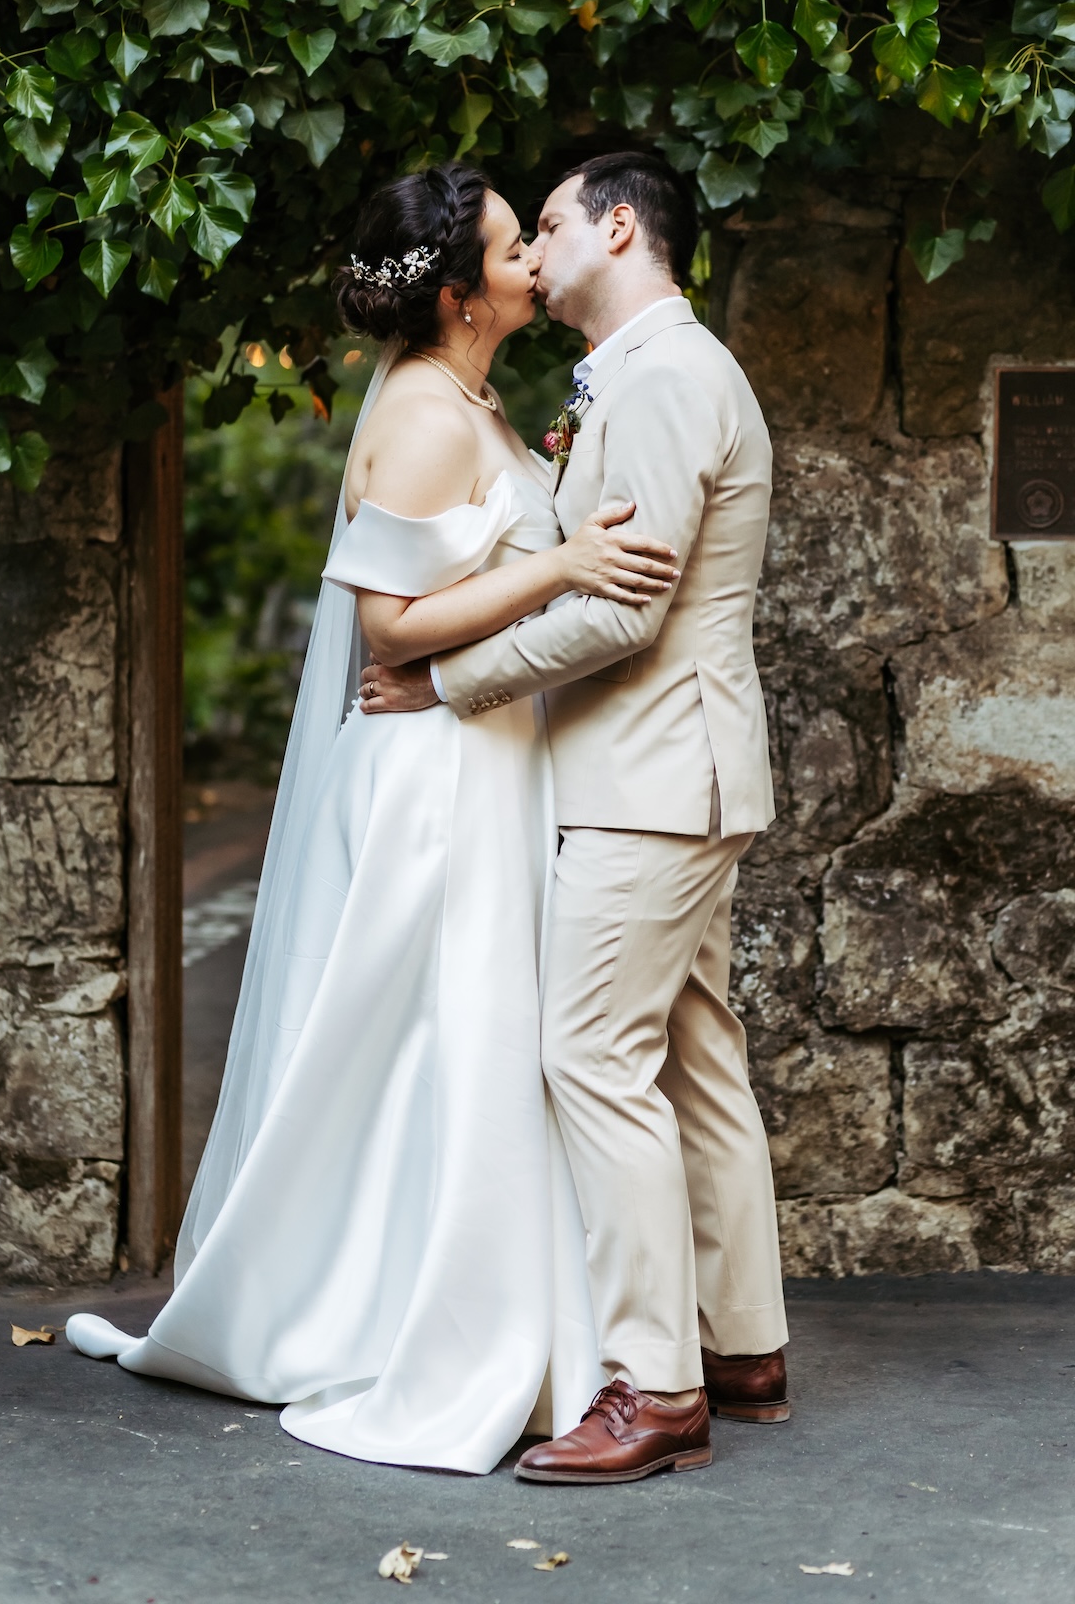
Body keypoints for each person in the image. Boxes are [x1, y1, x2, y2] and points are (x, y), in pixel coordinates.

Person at [66, 161, 679, 1476]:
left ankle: (460, 1299)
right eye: (514, 249)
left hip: (483, 757)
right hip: (432, 778)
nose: (531, 265)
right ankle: (425, 1321)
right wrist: (563, 563)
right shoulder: (419, 415)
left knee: (461, 1041)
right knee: (445, 1042)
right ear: (460, 295)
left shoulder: (469, 396)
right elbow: (389, 629)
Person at [361, 150, 790, 1485]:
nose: (535, 256)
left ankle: (654, 1388)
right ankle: (744, 1349)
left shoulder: (664, 377)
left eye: (550, 226)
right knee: (694, 1053)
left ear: (621, 225)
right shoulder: (657, 371)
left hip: (650, 778)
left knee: (593, 1058)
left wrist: (447, 685)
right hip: (680, 772)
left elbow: (621, 608)